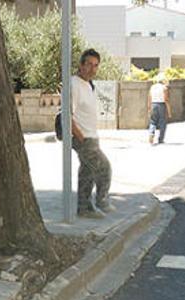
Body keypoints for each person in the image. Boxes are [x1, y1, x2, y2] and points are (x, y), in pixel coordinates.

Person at [71, 48, 113, 218]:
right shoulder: (74, 84)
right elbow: (67, 114)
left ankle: (91, 205)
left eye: (95, 65)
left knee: (94, 171)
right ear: (80, 65)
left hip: (92, 137)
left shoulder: (89, 85)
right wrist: (80, 137)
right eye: (88, 64)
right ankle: (92, 205)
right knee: (98, 169)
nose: (92, 69)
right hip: (83, 137)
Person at [147, 75, 170, 145]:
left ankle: (151, 132)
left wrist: (149, 108)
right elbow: (166, 99)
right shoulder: (164, 88)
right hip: (161, 105)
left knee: (153, 121)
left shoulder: (152, 87)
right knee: (162, 122)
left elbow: (149, 98)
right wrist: (169, 111)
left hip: (153, 104)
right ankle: (161, 139)